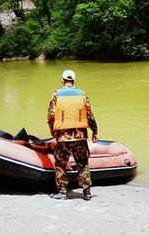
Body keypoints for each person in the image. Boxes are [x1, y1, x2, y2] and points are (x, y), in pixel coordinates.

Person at [47, 69, 98, 200]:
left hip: (63, 137)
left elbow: (51, 115)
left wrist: (52, 129)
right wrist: (95, 131)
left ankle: (63, 192)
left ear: (62, 81)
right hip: (80, 136)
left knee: (61, 164)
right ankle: (87, 192)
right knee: (83, 164)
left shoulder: (56, 94)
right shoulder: (82, 94)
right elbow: (90, 115)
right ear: (74, 81)